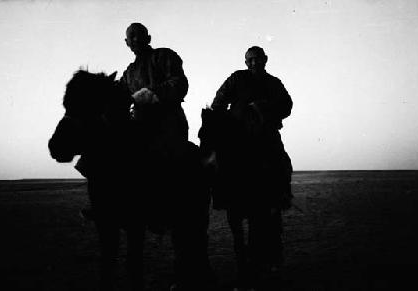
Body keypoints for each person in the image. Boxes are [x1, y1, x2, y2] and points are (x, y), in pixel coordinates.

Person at [119, 23, 213, 291]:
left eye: (139, 34)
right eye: (131, 36)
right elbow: (120, 96)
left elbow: (179, 83)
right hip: (139, 129)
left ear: (148, 38)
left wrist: (152, 94)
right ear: (126, 43)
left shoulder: (164, 56)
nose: (135, 39)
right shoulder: (128, 72)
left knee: (175, 169)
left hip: (167, 125)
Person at [206, 46, 293, 290]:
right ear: (245, 62)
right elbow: (218, 101)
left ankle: (281, 196)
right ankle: (221, 197)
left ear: (265, 60)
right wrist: (230, 121)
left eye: (258, 59)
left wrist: (266, 107)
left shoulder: (274, 82)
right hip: (239, 135)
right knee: (216, 163)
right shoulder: (237, 78)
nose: (254, 63)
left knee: (281, 161)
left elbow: (287, 105)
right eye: (250, 59)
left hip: (265, 135)